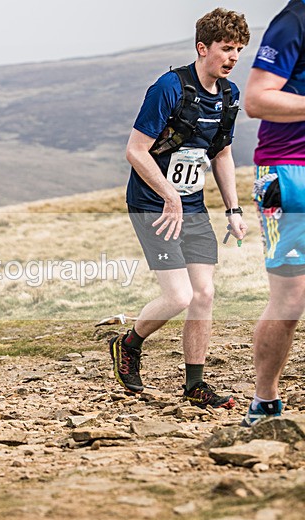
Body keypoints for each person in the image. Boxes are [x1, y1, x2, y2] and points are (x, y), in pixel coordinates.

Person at [109, 8, 250, 408]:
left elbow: (221, 153)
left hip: (192, 205)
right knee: (180, 297)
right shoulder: (169, 88)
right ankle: (128, 343)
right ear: (203, 47)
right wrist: (169, 195)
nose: (233, 57)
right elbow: (135, 151)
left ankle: (195, 385)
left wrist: (234, 211)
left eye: (238, 49)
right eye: (226, 48)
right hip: (153, 202)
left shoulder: (228, 95)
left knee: (204, 293)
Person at [242, 0, 305, 426]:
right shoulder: (295, 20)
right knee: (291, 299)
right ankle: (265, 401)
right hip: (289, 170)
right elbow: (256, 99)